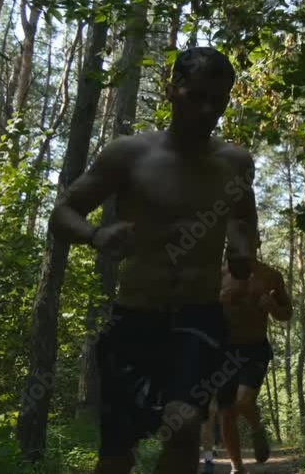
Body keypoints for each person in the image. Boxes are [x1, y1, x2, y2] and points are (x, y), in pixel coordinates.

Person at [49, 47, 258, 474]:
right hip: (135, 317)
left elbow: (242, 216)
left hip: (199, 317)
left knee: (184, 426)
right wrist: (95, 235)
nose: (207, 110)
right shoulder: (128, 154)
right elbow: (63, 213)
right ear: (171, 90)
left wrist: (241, 250)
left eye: (217, 101)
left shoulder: (234, 163)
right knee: (117, 453)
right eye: (197, 97)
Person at [200, 250, 292, 474]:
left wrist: (273, 307)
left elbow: (287, 312)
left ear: (257, 241)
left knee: (242, 402)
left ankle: (256, 428)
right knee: (226, 412)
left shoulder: (271, 275)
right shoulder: (219, 274)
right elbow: (200, 311)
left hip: (255, 348)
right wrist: (219, 300)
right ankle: (237, 467)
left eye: (250, 237)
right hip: (224, 350)